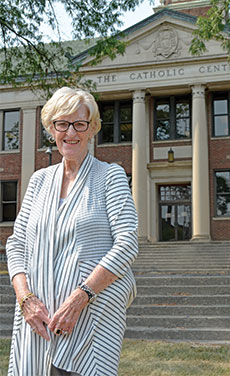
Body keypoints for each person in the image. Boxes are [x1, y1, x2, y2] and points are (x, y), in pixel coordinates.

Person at [6, 87, 138, 376]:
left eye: (80, 124)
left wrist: (81, 297)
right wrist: (26, 299)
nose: (71, 132)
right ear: (51, 129)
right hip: (37, 323)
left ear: (92, 129)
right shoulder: (39, 181)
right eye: (62, 124)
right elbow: (16, 245)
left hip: (88, 320)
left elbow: (127, 242)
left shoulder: (109, 176)